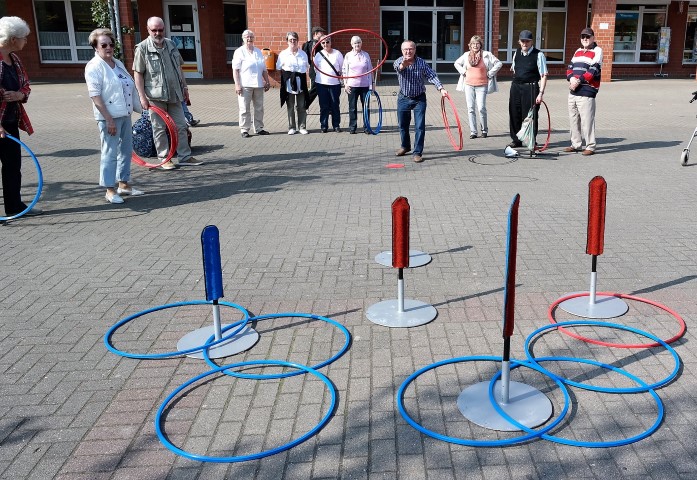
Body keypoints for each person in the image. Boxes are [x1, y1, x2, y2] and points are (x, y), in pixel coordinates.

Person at [133, 16, 203, 169]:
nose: (158, 33)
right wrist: (142, 97)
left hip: (175, 94)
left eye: (160, 29)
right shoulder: (142, 48)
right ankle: (165, 159)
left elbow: (179, 68)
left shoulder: (171, 44)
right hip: (154, 96)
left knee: (181, 126)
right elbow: (138, 74)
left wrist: (185, 88)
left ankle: (185, 156)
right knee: (159, 128)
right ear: (148, 30)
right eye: (154, 30)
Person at [85, 28, 144, 204]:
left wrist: (140, 106)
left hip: (124, 114)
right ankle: (110, 190)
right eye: (104, 45)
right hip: (108, 117)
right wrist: (108, 119)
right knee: (109, 153)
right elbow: (95, 96)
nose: (109, 48)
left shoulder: (116, 63)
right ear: (95, 47)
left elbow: (128, 86)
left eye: (111, 44)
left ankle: (123, 185)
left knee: (126, 151)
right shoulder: (94, 67)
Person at [0, 16, 40, 217]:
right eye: (24, 37)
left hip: (11, 121)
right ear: (13, 38)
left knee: (13, 167)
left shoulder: (14, 60)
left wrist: (20, 95)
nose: (26, 41)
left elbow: (26, 86)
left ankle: (14, 206)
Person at [393, 40, 447, 163]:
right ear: (402, 51)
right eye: (405, 49)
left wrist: (441, 89)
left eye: (410, 49)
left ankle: (417, 152)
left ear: (414, 50)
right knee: (403, 125)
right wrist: (404, 65)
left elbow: (431, 76)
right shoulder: (398, 61)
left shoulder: (421, 63)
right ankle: (405, 146)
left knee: (420, 126)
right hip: (403, 98)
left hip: (419, 98)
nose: (408, 51)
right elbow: (399, 68)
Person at [454, 35, 502, 139]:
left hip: (482, 85)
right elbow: (456, 63)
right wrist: (463, 72)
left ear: (480, 45)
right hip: (469, 85)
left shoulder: (486, 54)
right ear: (470, 45)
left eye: (477, 43)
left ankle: (484, 130)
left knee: (481, 108)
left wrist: (490, 73)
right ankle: (473, 132)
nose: (475, 46)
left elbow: (498, 63)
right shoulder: (466, 55)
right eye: (473, 44)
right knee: (470, 108)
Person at [508, 30, 548, 148]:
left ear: (531, 42)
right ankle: (516, 139)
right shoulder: (517, 53)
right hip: (516, 87)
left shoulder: (538, 55)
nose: (525, 43)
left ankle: (530, 139)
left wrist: (540, 93)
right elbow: (514, 69)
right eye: (523, 41)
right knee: (514, 113)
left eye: (527, 41)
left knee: (530, 115)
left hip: (530, 87)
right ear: (519, 42)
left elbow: (544, 75)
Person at [565, 27, 602, 156]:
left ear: (593, 38)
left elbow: (593, 70)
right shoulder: (577, 51)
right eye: (583, 37)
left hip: (587, 91)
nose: (585, 39)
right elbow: (570, 68)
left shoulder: (597, 51)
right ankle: (575, 144)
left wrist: (578, 81)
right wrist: (571, 79)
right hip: (574, 90)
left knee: (587, 121)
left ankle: (590, 146)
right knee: (573, 120)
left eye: (588, 37)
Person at [232, 30, 271, 137]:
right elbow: (235, 70)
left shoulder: (258, 51)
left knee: (259, 108)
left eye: (251, 37)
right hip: (245, 85)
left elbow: (263, 68)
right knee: (244, 108)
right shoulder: (239, 52)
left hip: (258, 84)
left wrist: (267, 81)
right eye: (246, 37)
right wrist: (237, 84)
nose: (249, 39)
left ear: (254, 38)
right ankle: (244, 129)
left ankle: (258, 128)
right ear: (243, 39)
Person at [277, 31, 310, 135]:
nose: (293, 42)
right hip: (289, 83)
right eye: (290, 40)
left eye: (294, 40)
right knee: (290, 105)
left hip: (301, 81)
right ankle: (292, 127)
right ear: (287, 41)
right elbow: (278, 67)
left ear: (297, 41)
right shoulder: (283, 54)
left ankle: (302, 126)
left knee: (301, 105)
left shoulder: (303, 54)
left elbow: (307, 66)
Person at [343, 36, 373, 134]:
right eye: (355, 43)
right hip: (352, 85)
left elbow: (370, 70)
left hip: (364, 86)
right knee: (352, 107)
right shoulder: (348, 55)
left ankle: (367, 127)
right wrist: (345, 84)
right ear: (352, 44)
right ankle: (352, 127)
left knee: (366, 107)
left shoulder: (366, 55)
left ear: (361, 43)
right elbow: (344, 70)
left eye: (359, 42)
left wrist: (371, 84)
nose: (357, 44)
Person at [314, 35, 343, 133]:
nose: (325, 44)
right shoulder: (318, 55)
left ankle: (336, 125)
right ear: (320, 44)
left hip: (334, 83)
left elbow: (342, 68)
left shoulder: (337, 53)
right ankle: (324, 125)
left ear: (331, 42)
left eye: (327, 42)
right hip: (321, 83)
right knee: (324, 105)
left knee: (335, 104)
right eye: (323, 43)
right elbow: (315, 68)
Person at [302, 26, 325, 106]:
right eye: (321, 33)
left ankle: (326, 107)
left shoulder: (310, 43)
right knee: (315, 89)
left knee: (320, 89)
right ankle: (304, 104)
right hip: (315, 69)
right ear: (315, 33)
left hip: (315, 68)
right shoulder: (315, 43)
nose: (322, 34)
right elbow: (313, 56)